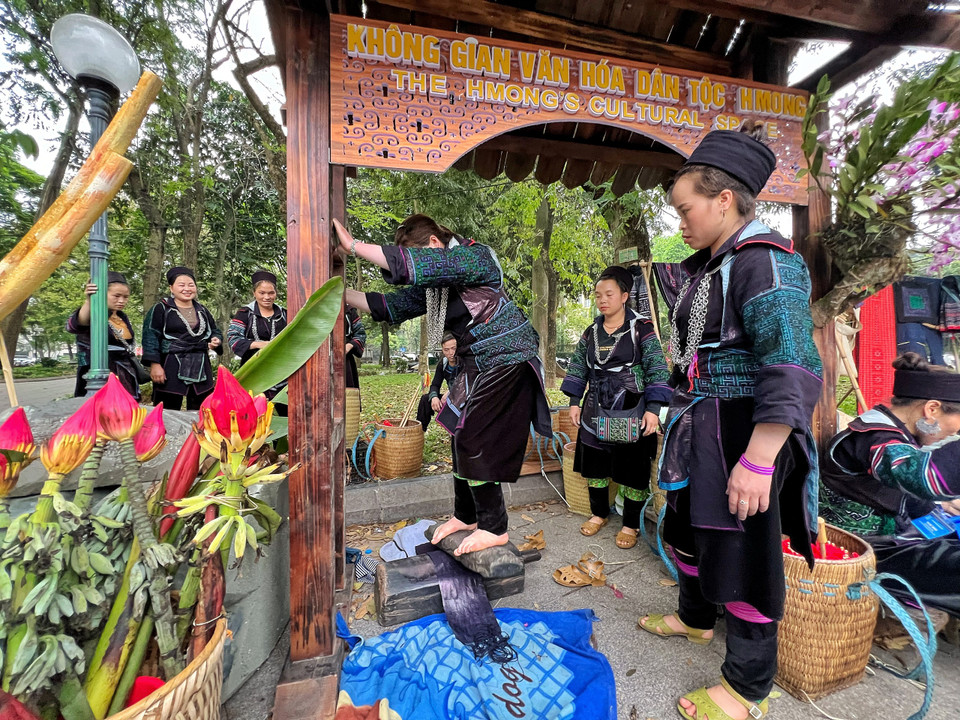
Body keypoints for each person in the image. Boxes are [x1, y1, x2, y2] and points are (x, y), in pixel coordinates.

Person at [638, 124, 823, 720]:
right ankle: (695, 619)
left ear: (724, 200)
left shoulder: (765, 262)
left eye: (685, 208)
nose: (680, 221)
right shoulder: (710, 266)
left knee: (747, 558)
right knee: (684, 532)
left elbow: (792, 361)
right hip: (704, 425)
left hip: (748, 431)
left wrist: (760, 457)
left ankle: (748, 689)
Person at [335, 214, 552, 556]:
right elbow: (395, 304)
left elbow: (419, 266)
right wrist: (342, 294)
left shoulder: (474, 257)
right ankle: (467, 516)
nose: (416, 267)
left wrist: (354, 247)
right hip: (477, 365)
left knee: (475, 438)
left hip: (509, 357)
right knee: (458, 434)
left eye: (419, 256)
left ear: (435, 244)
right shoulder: (438, 287)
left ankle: (494, 528)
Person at [820, 353, 960, 617]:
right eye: (954, 428)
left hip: (886, 541)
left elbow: (908, 493)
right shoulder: (875, 438)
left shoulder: (893, 433)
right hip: (858, 550)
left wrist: (941, 504)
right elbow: (918, 476)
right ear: (931, 409)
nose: (953, 433)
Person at [561, 266, 671, 549]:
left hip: (630, 406)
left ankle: (630, 524)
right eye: (598, 295)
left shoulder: (641, 329)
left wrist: (653, 408)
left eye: (609, 294)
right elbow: (576, 365)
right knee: (595, 465)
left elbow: (657, 368)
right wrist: (574, 401)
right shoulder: (591, 331)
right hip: (595, 407)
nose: (602, 300)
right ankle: (599, 514)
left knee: (632, 467)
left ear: (624, 296)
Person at [142, 266, 223, 411]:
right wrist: (155, 364)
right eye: (181, 285)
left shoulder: (203, 310)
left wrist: (216, 339)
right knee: (167, 408)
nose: (187, 288)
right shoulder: (161, 308)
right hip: (171, 363)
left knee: (203, 409)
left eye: (191, 285)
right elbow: (151, 335)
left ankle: (201, 433)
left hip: (200, 363)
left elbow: (214, 330)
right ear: (171, 288)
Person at [66, 271, 142, 399]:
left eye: (126, 297)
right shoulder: (94, 315)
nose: (121, 301)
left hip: (126, 374)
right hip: (99, 376)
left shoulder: (123, 317)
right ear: (103, 294)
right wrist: (90, 300)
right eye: (116, 296)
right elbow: (76, 325)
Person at [228, 270, 288, 415]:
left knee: (286, 412)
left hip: (282, 373)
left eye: (271, 293)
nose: (267, 297)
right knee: (253, 414)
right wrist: (257, 344)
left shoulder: (285, 313)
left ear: (276, 293)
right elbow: (233, 338)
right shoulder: (244, 313)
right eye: (262, 293)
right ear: (254, 292)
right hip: (253, 369)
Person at [415, 333, 461, 431]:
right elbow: (435, 384)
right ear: (442, 350)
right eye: (446, 350)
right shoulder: (443, 364)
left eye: (453, 348)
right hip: (450, 401)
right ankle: (419, 432)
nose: (451, 353)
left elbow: (469, 383)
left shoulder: (465, 362)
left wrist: (450, 393)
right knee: (425, 399)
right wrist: (434, 397)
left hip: (465, 401)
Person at [345, 304, 366, 390]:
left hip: (345, 363)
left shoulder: (348, 310)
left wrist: (349, 346)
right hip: (314, 362)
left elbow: (360, 334)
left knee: (348, 399)